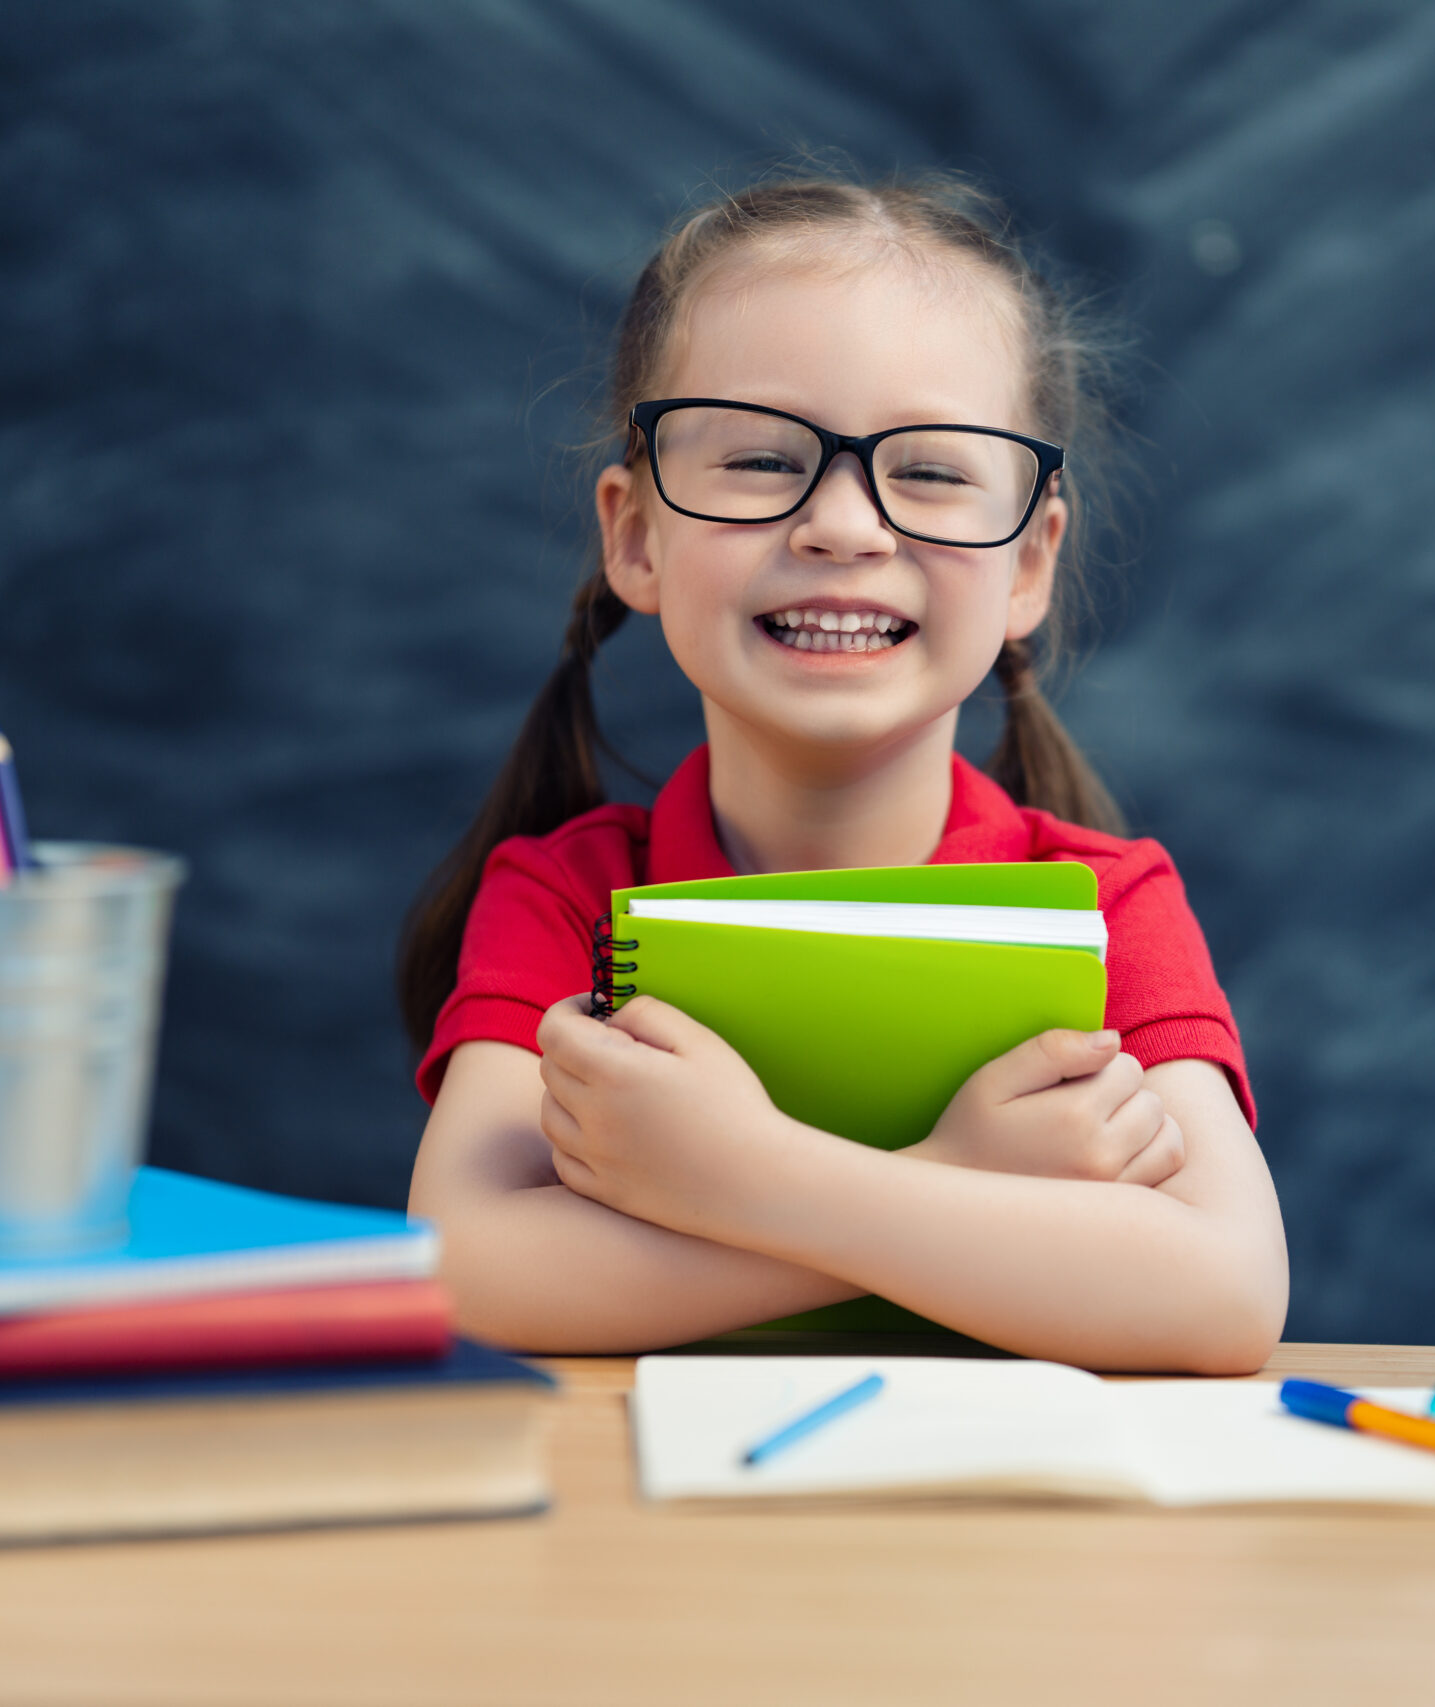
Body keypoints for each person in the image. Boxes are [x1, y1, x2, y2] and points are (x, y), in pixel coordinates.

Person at [398, 172, 1287, 1372]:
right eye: (762, 460)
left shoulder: (1110, 907)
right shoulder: (566, 901)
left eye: (929, 472)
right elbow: (463, 1270)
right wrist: (954, 1182)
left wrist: (749, 1176)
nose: (845, 526)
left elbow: (1223, 1295)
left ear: (1030, 563)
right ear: (635, 535)